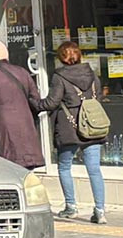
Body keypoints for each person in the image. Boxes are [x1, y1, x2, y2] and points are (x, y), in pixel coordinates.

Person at [40, 41, 108, 224]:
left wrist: (35, 104)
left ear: (61, 58)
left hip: (69, 128)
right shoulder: (92, 74)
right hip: (92, 127)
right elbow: (98, 96)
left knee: (64, 167)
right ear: (79, 55)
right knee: (94, 169)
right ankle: (100, 211)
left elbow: (52, 102)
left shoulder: (59, 77)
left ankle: (71, 207)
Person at [0, 41, 44, 169]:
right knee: (27, 169)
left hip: (5, 130)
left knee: (9, 168)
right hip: (26, 126)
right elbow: (35, 99)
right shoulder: (23, 72)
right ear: (7, 56)